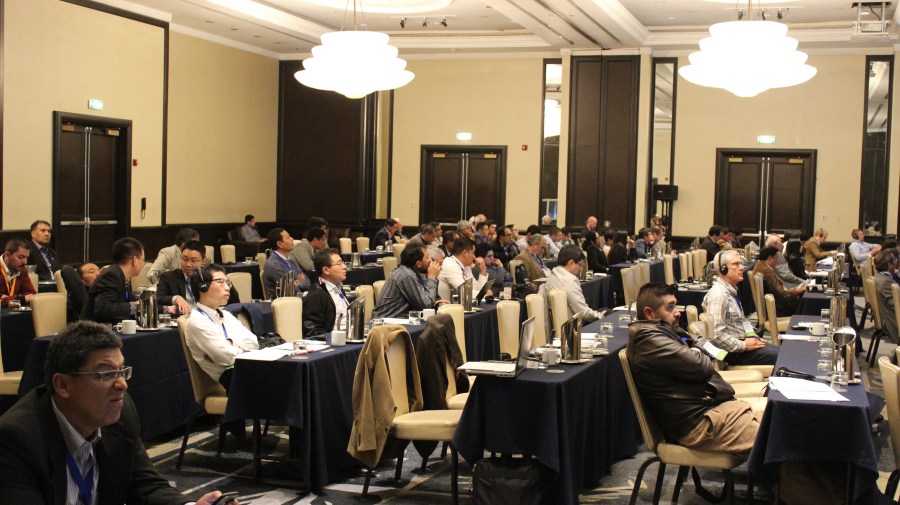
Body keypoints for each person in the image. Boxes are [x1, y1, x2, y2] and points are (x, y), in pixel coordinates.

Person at [0, 320, 237, 505]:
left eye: (122, 371)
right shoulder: (15, 440)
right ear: (63, 385)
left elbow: (146, 485)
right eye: (105, 374)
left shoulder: (119, 413)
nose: (122, 384)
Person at [627, 283, 759, 456]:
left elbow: (709, 344)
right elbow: (702, 366)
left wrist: (696, 348)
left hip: (713, 410)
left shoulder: (664, 329)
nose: (677, 313)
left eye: (675, 306)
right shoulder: (648, 339)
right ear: (649, 313)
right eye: (670, 308)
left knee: (782, 424)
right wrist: (697, 349)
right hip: (700, 425)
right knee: (781, 438)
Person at [185, 264, 258, 392]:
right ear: (203, 287)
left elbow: (254, 343)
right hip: (235, 379)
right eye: (220, 282)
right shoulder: (197, 322)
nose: (227, 288)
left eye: (227, 283)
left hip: (247, 370)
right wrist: (239, 347)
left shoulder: (226, 315)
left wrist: (230, 342)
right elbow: (227, 357)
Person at [703, 250, 780, 366]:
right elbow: (716, 335)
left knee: (784, 352)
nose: (742, 267)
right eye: (736, 264)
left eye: (741, 263)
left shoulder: (730, 291)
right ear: (723, 269)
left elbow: (740, 322)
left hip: (743, 344)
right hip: (736, 353)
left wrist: (752, 335)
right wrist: (744, 345)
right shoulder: (719, 296)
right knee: (785, 356)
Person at [82, 238, 145, 324]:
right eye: (143, 260)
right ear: (135, 260)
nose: (143, 264)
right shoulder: (111, 275)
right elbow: (103, 309)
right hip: (94, 330)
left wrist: (164, 308)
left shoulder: (121, 276)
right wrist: (137, 306)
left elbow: (132, 302)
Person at [373, 244, 442, 319]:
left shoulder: (418, 274)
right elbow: (426, 306)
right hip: (386, 321)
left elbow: (430, 297)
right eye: (427, 257)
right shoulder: (406, 275)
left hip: (402, 319)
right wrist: (432, 277)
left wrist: (438, 302)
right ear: (418, 264)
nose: (430, 260)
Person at [541, 245, 602, 322]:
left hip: (561, 324)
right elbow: (583, 313)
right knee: (607, 312)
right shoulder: (570, 281)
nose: (580, 269)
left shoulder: (552, 277)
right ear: (571, 263)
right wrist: (598, 315)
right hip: (575, 325)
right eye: (579, 265)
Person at [156, 240, 213, 315]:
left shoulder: (209, 278)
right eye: (185, 259)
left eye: (193, 260)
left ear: (203, 261)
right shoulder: (168, 277)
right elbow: (157, 299)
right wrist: (176, 298)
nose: (188, 265)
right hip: (181, 319)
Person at [303, 249, 350, 338]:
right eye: (339, 264)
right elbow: (312, 330)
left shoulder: (337, 287)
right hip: (335, 340)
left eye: (343, 263)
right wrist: (333, 338)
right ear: (326, 270)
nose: (344, 266)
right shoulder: (316, 294)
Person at [751, 246, 804, 317]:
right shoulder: (766, 270)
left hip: (773, 303)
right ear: (770, 258)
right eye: (776, 259)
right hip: (776, 307)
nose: (777, 261)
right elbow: (778, 292)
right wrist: (796, 292)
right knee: (801, 304)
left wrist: (790, 291)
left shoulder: (761, 266)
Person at [438, 237, 491, 301]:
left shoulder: (465, 266)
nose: (474, 257)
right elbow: (464, 292)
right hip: (446, 306)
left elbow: (476, 289)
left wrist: (483, 270)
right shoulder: (449, 266)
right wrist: (485, 295)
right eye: (473, 253)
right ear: (465, 253)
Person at [263, 228, 309, 299]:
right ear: (280, 244)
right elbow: (290, 290)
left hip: (295, 299)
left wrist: (296, 283)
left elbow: (307, 282)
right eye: (288, 238)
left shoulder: (291, 260)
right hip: (282, 302)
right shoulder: (274, 264)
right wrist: (297, 283)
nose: (292, 239)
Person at [0, 238, 37, 307]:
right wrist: (22, 299)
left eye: (26, 258)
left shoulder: (22, 269)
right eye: (20, 257)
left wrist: (8, 299)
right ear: (7, 255)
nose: (25, 262)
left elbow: (32, 295)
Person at [872, 249, 899, 342]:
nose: (897, 262)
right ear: (890, 265)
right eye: (895, 260)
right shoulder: (886, 282)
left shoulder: (878, 276)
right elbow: (896, 305)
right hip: (893, 322)